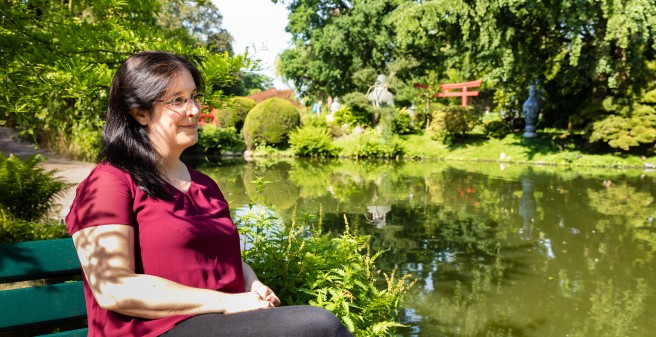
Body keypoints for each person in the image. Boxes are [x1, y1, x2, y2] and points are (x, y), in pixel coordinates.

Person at [65, 51, 353, 337]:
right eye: (177, 100)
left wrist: (250, 283)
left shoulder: (204, 185)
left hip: (218, 325)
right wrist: (225, 302)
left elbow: (219, 260)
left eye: (193, 96)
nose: (193, 109)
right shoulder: (108, 183)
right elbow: (113, 287)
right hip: (154, 331)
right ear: (139, 112)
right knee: (319, 327)